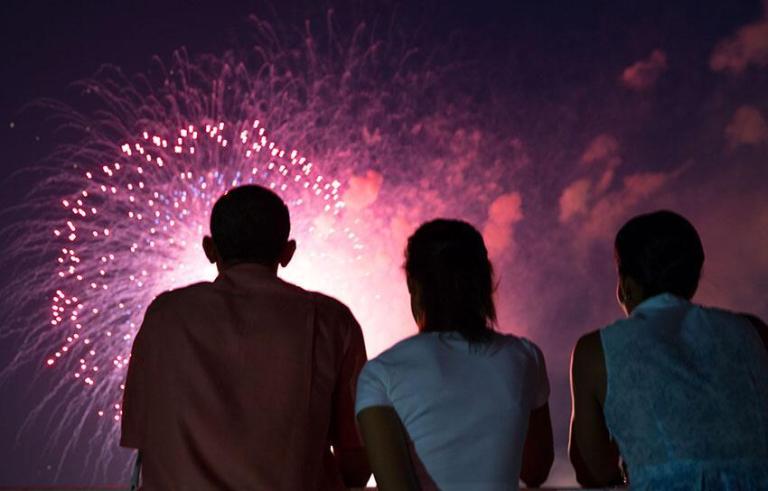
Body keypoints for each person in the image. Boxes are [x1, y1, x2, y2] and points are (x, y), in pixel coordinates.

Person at [120, 185, 370, 490]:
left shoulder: (164, 316)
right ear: (287, 252)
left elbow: (143, 436)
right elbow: (357, 458)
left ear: (210, 249)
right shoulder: (334, 321)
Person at [569, 210, 768, 489]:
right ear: (693, 278)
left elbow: (592, 472)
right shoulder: (753, 331)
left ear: (625, 287)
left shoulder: (594, 351)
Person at [355, 219, 554, 491]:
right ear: (484, 282)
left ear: (413, 284)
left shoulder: (380, 375)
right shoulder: (524, 357)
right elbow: (536, 470)